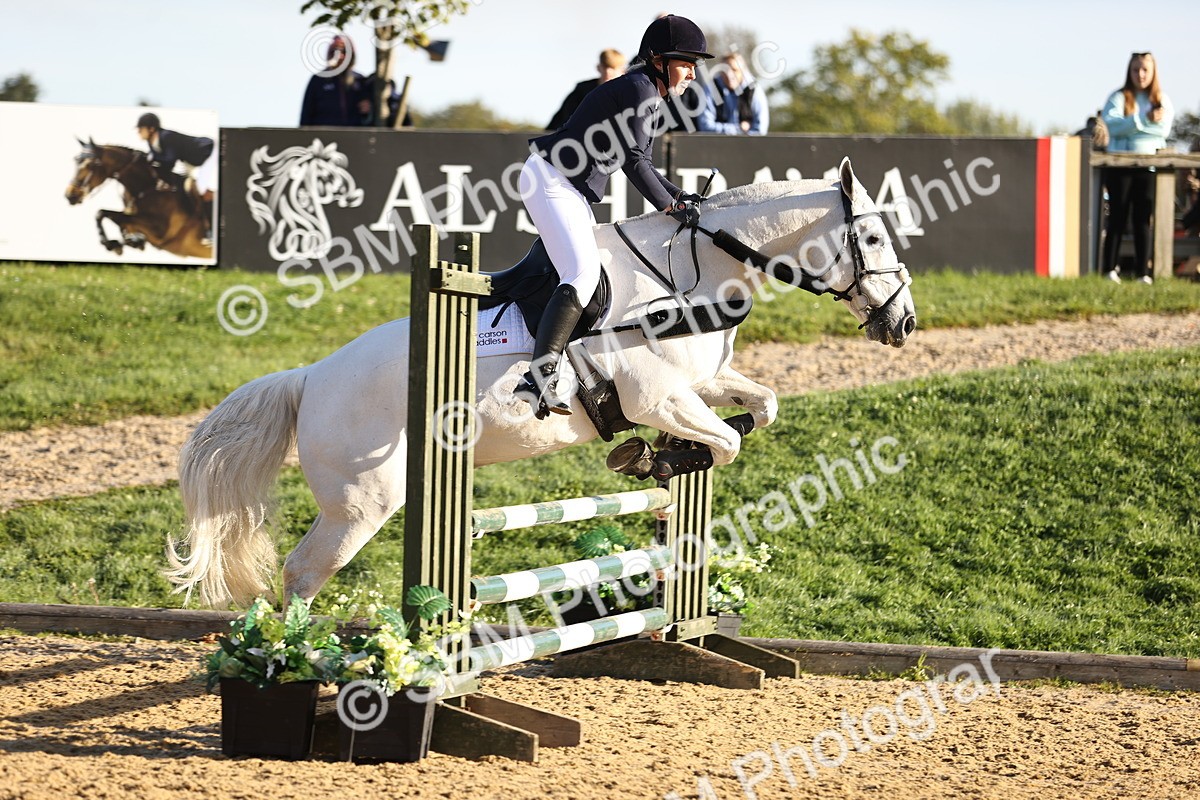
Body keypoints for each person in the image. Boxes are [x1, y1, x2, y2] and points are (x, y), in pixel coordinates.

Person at [515, 14, 712, 417]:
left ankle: (563, 368)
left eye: (695, 64)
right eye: (686, 61)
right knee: (583, 275)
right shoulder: (640, 92)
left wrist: (682, 197)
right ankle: (538, 378)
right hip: (552, 181)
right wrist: (671, 207)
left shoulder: (646, 92)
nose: (693, 72)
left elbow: (646, 164)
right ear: (658, 59)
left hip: (564, 184)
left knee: (594, 276)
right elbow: (634, 162)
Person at [1099, 52, 1174, 284]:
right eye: (1135, 69)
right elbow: (1112, 125)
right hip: (1119, 165)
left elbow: (1162, 131)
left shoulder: (1162, 99)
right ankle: (1109, 270)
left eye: (1145, 70)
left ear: (1153, 72)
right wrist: (1144, 120)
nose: (1140, 74)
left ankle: (1144, 273)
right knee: (1117, 217)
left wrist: (1130, 124)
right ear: (1129, 71)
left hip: (1148, 166)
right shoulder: (1118, 97)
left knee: (1143, 219)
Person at [135, 112, 216, 238]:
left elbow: (170, 161)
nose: (138, 132)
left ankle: (211, 229)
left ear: (151, 129)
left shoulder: (166, 136)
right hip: (190, 162)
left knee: (197, 189)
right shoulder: (151, 142)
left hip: (206, 155)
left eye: (141, 128)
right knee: (182, 187)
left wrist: (152, 161)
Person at [546, 49, 628, 131]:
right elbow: (562, 119)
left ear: (623, 70)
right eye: (605, 66)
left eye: (613, 68)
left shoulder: (627, 93)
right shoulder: (581, 91)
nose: (608, 72)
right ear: (598, 67)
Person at [299, 34, 372, 127]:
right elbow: (306, 115)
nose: (340, 56)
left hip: (353, 137)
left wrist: (368, 110)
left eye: (344, 51)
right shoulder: (318, 80)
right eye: (335, 51)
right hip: (324, 138)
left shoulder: (360, 80)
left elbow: (369, 115)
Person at [696, 52, 769, 135]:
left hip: (749, 146)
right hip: (717, 145)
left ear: (743, 71)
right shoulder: (711, 88)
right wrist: (738, 129)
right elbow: (705, 127)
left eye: (734, 70)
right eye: (725, 70)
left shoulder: (755, 90)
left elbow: (760, 130)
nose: (729, 75)